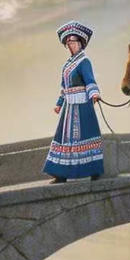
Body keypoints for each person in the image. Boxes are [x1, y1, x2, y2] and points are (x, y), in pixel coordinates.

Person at [43, 21, 105, 183]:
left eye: (74, 43)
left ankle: (94, 170)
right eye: (68, 43)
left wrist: (94, 94)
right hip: (69, 107)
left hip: (83, 105)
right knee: (63, 138)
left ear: (81, 44)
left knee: (85, 137)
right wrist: (59, 103)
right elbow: (64, 87)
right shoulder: (67, 65)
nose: (71, 46)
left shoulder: (84, 61)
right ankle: (61, 173)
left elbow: (90, 80)